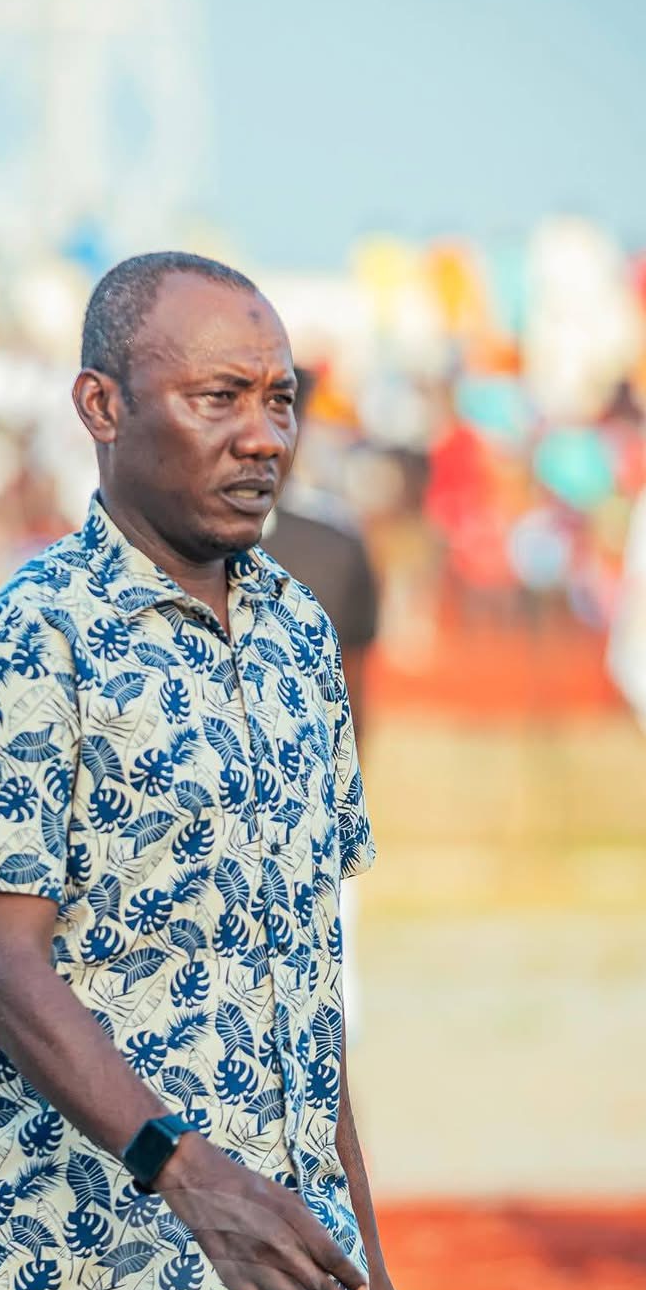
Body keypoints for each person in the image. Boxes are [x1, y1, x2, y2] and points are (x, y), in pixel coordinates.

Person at [0, 251, 432, 1290]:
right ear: (102, 405)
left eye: (281, 399)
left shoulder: (303, 642)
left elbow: (299, 979)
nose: (264, 436)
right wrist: (186, 1175)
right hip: (58, 1283)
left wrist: (360, 1238)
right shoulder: (27, 646)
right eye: (218, 398)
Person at [260, 367, 381, 1042]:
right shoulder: (165, 543)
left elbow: (356, 684)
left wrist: (340, 786)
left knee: (323, 1015)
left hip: (313, 804)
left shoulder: (334, 544)